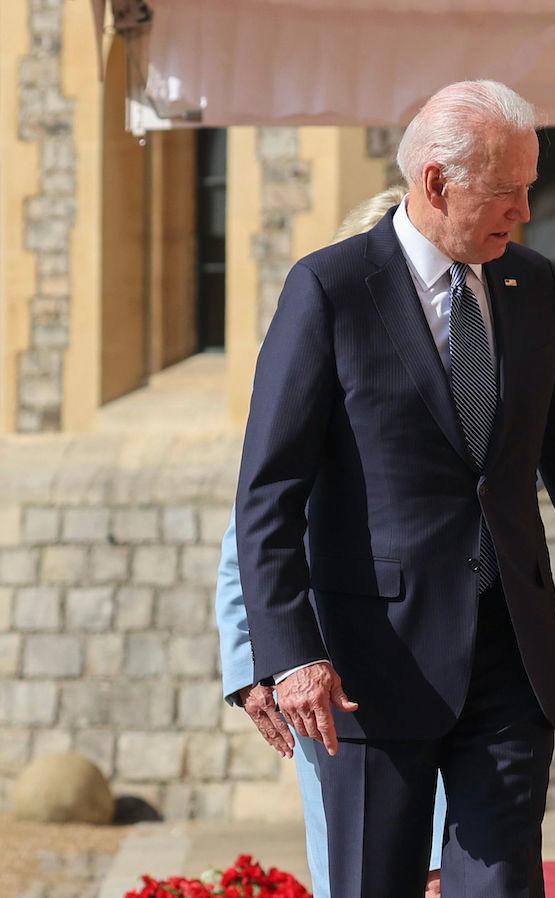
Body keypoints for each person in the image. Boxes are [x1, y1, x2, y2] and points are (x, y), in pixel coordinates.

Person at [233, 80, 555, 897]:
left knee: (501, 887)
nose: (524, 209)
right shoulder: (331, 290)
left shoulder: (531, 287)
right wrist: (290, 654)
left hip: (509, 658)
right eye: (506, 190)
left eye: (530, 188)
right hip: (373, 667)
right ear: (437, 182)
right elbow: (270, 489)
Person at [215, 186, 449, 898]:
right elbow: (248, 539)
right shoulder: (322, 364)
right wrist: (257, 665)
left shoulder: (469, 361)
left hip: (453, 659)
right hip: (337, 678)